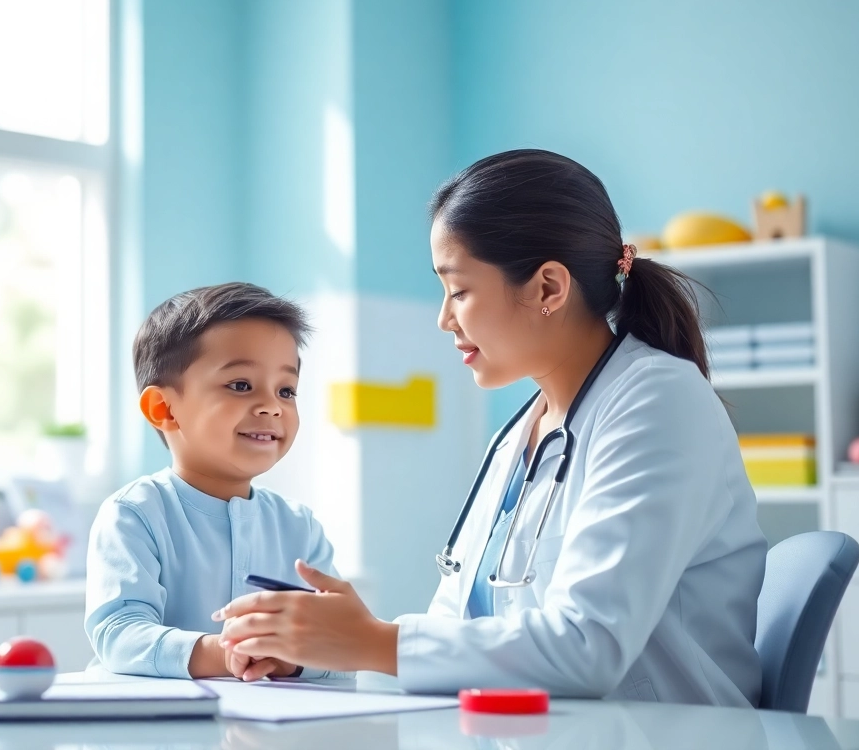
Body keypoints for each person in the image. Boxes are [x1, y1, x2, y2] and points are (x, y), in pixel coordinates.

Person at [215, 150, 768, 706]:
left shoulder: (658, 400)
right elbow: (457, 626)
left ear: (548, 288)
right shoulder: (517, 438)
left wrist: (371, 642)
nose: (444, 319)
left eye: (458, 291)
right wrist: (318, 649)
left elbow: (587, 647)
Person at [85, 282, 349, 681]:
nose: (272, 406)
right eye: (241, 385)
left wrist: (293, 660)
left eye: (286, 390)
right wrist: (226, 654)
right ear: (164, 409)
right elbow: (118, 636)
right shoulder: (134, 514)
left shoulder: (300, 527)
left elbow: (343, 651)